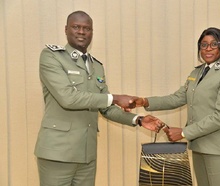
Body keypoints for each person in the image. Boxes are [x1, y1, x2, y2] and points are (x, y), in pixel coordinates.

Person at [34, 10, 163, 186]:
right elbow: (68, 98)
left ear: (92, 33)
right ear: (66, 29)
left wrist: (138, 119)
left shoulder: (97, 66)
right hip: (58, 153)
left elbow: (106, 107)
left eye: (87, 28)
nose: (81, 32)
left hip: (86, 155)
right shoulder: (52, 57)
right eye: (76, 27)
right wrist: (116, 98)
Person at [134, 27, 220, 186]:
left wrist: (184, 132)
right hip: (200, 146)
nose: (208, 49)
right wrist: (145, 101)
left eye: (214, 44)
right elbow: (177, 98)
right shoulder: (197, 73)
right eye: (203, 45)